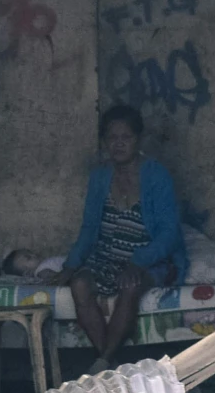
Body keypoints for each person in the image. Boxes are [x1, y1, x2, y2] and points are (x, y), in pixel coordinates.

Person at [54, 104, 186, 366]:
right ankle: (109, 361)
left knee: (130, 284)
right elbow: (89, 228)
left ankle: (103, 360)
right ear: (104, 142)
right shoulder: (100, 176)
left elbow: (169, 233)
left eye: (126, 137)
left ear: (138, 139)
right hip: (106, 258)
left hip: (148, 260)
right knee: (79, 285)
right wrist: (70, 266)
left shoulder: (156, 175)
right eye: (112, 138)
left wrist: (138, 263)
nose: (119, 144)